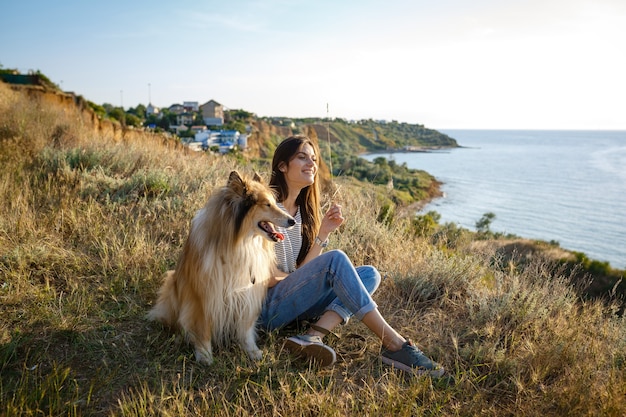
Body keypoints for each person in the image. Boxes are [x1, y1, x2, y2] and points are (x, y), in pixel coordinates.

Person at [258, 135, 444, 377]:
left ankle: (311, 336)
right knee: (336, 261)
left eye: (314, 159)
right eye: (302, 157)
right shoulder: (266, 209)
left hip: (291, 304)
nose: (311, 164)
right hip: (266, 309)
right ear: (282, 166)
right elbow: (267, 277)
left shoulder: (302, 213)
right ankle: (394, 344)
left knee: (369, 274)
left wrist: (323, 233)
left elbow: (302, 270)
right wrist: (306, 278)